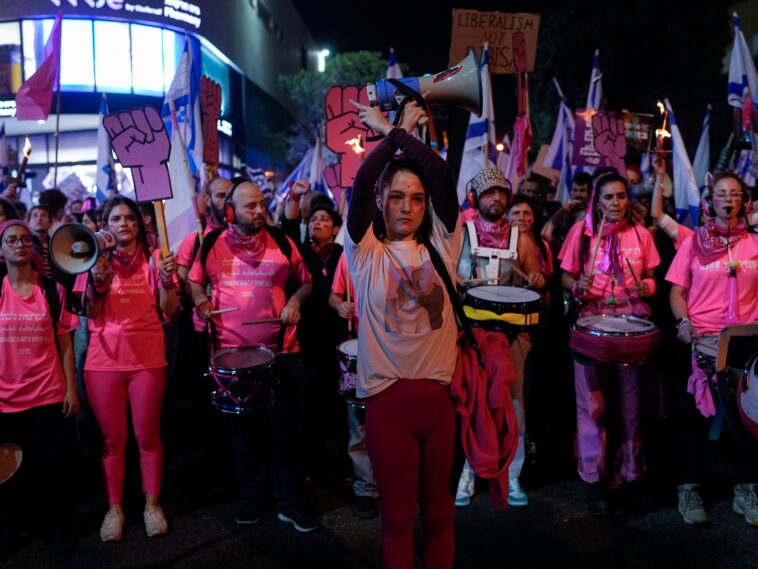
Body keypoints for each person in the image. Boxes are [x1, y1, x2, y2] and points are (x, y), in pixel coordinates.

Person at [347, 98, 460, 568]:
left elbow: (441, 176)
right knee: (395, 520)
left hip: (439, 404)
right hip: (386, 405)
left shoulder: (443, 244)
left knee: (439, 517)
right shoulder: (363, 250)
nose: (408, 206)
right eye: (397, 196)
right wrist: (393, 133)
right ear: (381, 200)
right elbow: (360, 185)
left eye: (416, 198)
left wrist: (396, 131)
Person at [189, 179, 320, 533]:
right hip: (232, 357)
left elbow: (306, 281)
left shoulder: (282, 240)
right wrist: (201, 302)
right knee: (245, 436)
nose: (260, 211)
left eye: (262, 204)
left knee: (287, 434)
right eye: (251, 206)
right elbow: (194, 281)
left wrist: (294, 301)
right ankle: (254, 499)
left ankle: (291, 503)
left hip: (283, 353)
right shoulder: (212, 243)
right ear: (231, 211)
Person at [75, 196, 178, 542]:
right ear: (105, 223)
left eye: (130, 218)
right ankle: (114, 509)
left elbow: (169, 310)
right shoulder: (89, 258)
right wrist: (97, 281)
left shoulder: (155, 259)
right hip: (104, 364)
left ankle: (152, 506)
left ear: (140, 224)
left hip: (147, 361)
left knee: (147, 437)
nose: (123, 224)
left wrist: (166, 281)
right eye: (116, 218)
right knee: (111, 441)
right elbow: (88, 312)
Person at [558, 172, 661, 514]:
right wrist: (576, 285)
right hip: (593, 321)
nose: (615, 203)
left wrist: (646, 287)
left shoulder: (641, 234)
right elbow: (564, 276)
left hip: (631, 322)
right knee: (591, 406)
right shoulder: (582, 233)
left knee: (632, 407)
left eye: (620, 196)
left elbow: (651, 279)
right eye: (608, 197)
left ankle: (632, 474)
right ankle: (594, 479)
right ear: (596, 202)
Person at [666, 172, 758, 526]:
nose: (728, 199)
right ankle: (689, 489)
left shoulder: (754, 243)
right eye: (721, 193)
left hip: (746, 344)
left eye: (735, 193)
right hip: (703, 341)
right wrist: (684, 325)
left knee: (749, 419)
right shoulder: (694, 243)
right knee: (696, 419)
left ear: (743, 201)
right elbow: (676, 291)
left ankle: (746, 489)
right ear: (710, 199)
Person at [456, 169, 545, 509]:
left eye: (501, 193)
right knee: (472, 402)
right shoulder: (461, 235)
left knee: (514, 404)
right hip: (471, 334)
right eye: (488, 193)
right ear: (475, 199)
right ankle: (468, 471)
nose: (496, 198)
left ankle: (512, 474)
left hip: (512, 336)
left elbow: (535, 280)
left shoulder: (520, 239)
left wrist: (535, 277)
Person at [0, 220, 80, 559]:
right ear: (1, 249)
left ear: (33, 247)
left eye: (25, 240)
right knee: (7, 473)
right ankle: (9, 530)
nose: (19, 244)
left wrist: (71, 388)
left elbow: (64, 342)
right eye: (11, 240)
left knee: (53, 467)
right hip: (5, 400)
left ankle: (57, 526)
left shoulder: (52, 290)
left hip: (48, 393)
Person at [328, 252, 379, 519]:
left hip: (395, 346)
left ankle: (395, 483)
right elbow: (334, 296)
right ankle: (365, 489)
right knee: (359, 424)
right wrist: (341, 306)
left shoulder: (403, 250)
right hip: (359, 342)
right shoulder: (351, 256)